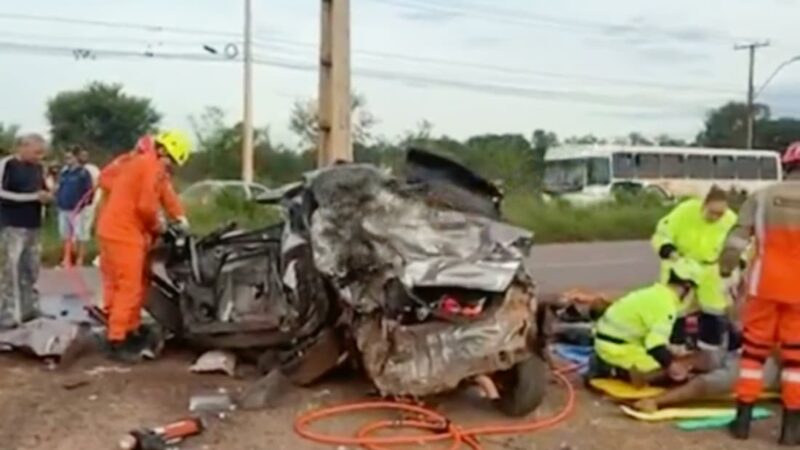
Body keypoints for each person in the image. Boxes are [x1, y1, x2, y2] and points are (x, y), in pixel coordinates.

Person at [720, 145, 800, 444]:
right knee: (796, 359)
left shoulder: (762, 196)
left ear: (787, 165)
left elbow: (736, 240)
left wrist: (726, 270)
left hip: (763, 285)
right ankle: (791, 430)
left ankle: (742, 423)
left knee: (753, 354)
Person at [95, 130, 191, 362]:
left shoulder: (146, 165)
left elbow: (166, 194)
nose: (171, 168)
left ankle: (130, 328)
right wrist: (161, 226)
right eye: (172, 161)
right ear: (164, 152)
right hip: (123, 233)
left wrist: (180, 217)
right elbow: (146, 207)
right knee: (129, 286)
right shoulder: (149, 166)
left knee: (132, 283)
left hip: (116, 230)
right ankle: (117, 339)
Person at [651, 187, 738, 353]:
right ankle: (675, 350)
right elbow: (662, 233)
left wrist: (735, 265)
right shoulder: (685, 211)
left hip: (711, 268)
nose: (716, 218)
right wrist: (669, 251)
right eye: (712, 213)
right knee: (675, 310)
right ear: (703, 205)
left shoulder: (730, 220)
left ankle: (708, 353)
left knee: (714, 311)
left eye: (720, 214)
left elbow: (742, 246)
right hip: (682, 264)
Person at [591, 258, 703, 385]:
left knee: (670, 361)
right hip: (616, 348)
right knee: (672, 374)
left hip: (606, 341)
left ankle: (608, 364)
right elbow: (654, 346)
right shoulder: (666, 305)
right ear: (688, 287)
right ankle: (613, 371)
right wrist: (673, 366)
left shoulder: (654, 293)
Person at [0, 134, 52, 329]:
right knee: (10, 270)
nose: (40, 156)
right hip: (12, 224)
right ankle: (7, 314)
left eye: (42, 153)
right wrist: (30, 197)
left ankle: (29, 309)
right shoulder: (8, 165)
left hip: (34, 225)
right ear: (23, 147)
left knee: (30, 270)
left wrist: (47, 196)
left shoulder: (39, 168)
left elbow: (43, 189)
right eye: (37, 152)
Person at [633, 352, 781, 413]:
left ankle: (655, 402)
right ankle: (646, 377)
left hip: (769, 368)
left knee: (708, 383)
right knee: (703, 358)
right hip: (756, 352)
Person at [55, 149, 93, 268]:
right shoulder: (64, 173)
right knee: (66, 235)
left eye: (70, 157)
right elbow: (60, 188)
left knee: (80, 234)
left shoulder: (83, 173)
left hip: (78, 209)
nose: (67, 160)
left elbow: (89, 191)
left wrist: (83, 205)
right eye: (66, 158)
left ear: (76, 158)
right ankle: (67, 258)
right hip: (64, 208)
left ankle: (80, 259)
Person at [76, 147, 101, 258]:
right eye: (81, 155)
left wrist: (92, 200)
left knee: (86, 229)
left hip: (90, 203)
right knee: (76, 230)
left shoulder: (93, 169)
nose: (83, 158)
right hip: (75, 204)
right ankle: (73, 255)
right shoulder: (73, 169)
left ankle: (82, 257)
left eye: (85, 155)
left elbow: (98, 184)